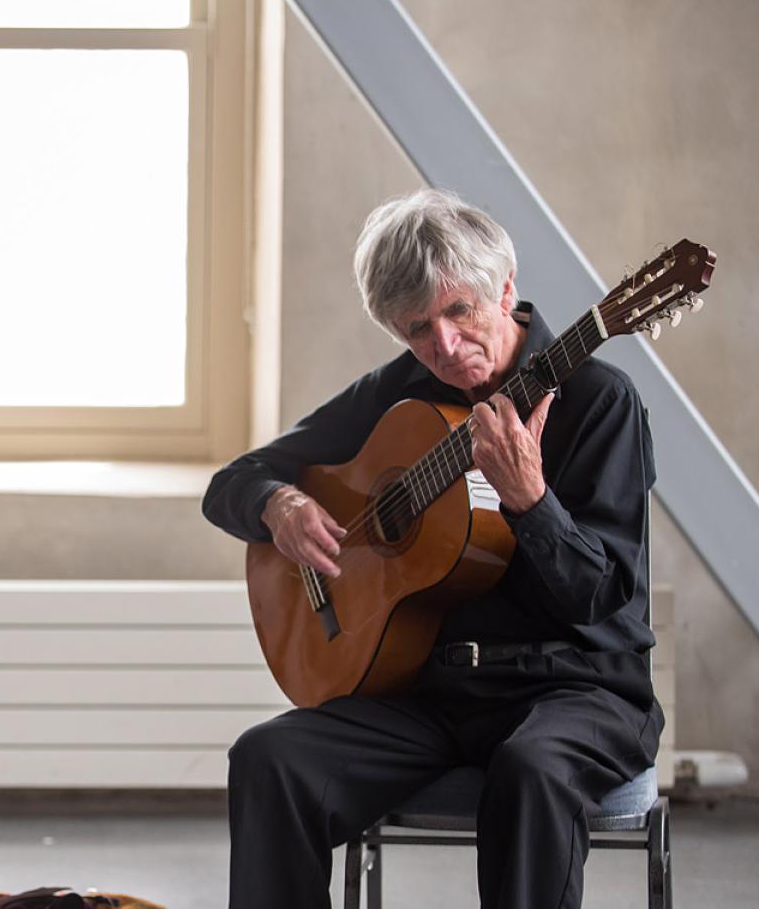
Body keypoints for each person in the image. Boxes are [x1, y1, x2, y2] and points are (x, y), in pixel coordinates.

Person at [203, 188, 660, 909]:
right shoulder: (401, 393)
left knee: (531, 770)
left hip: (578, 690)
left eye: (460, 312)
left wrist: (532, 503)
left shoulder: (599, 400)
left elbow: (599, 600)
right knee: (269, 758)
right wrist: (277, 503)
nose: (442, 347)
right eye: (416, 328)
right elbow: (232, 482)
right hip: (434, 694)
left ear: (505, 290)